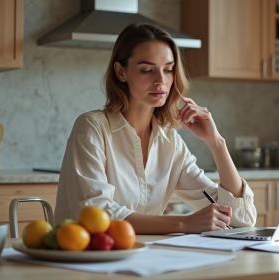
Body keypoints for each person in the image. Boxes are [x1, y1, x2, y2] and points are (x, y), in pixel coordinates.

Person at [54, 23, 257, 234]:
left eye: (168, 70)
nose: (161, 81)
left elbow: (241, 218)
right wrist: (183, 224)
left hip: (143, 258)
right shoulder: (92, 127)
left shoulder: (170, 141)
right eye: (147, 70)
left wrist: (216, 141)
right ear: (120, 72)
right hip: (84, 259)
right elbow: (95, 213)